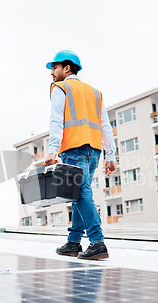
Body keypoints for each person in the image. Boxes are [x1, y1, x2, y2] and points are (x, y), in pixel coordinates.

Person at [44, 50, 116, 260]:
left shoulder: (60, 87)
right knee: (77, 193)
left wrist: (52, 150)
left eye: (54, 67)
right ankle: (74, 242)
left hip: (74, 148)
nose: (52, 73)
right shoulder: (95, 92)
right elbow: (106, 126)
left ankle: (97, 242)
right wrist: (110, 155)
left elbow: (56, 120)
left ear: (67, 68)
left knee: (81, 192)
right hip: (94, 150)